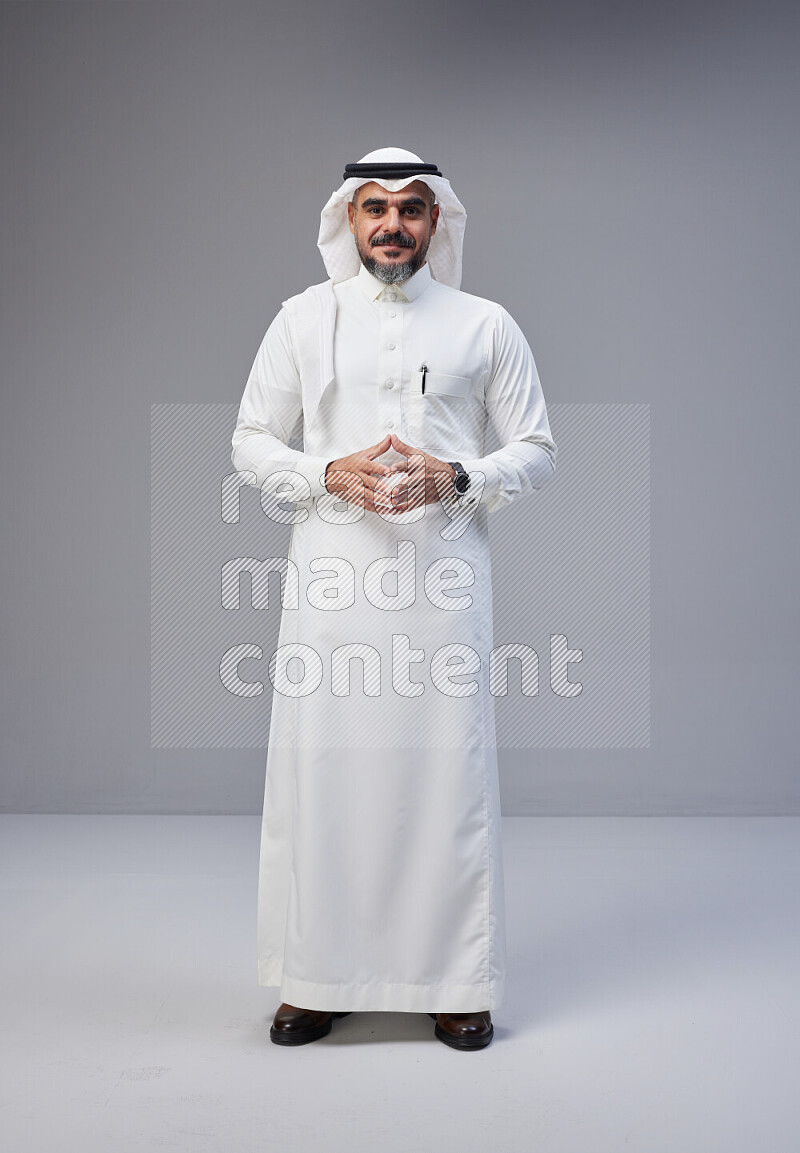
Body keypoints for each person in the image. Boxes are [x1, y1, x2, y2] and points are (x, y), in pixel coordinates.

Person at [230, 147, 557, 1050]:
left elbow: (536, 448)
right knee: (326, 772)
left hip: (442, 590)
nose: (392, 225)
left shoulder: (484, 324)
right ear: (348, 218)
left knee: (443, 777)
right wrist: (323, 469)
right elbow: (251, 439)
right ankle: (316, 976)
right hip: (331, 588)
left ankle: (455, 981)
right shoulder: (303, 319)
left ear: (437, 221)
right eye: (374, 207)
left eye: (411, 209)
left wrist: (456, 475)